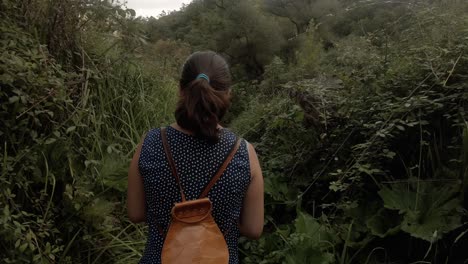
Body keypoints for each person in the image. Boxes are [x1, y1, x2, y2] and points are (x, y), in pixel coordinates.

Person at [127, 51, 264, 264]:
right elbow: (254, 229)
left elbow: (135, 213)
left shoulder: (151, 142)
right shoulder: (244, 152)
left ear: (181, 90)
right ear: (228, 94)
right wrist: (217, 219)